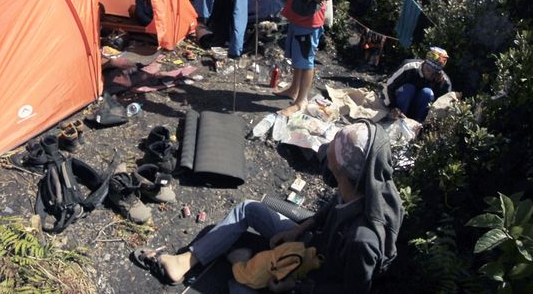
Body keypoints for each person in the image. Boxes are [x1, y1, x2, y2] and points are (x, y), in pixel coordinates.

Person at [133, 122, 403, 293]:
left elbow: (351, 290)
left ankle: (242, 264)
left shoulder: (362, 239)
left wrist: (295, 286)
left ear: (342, 168)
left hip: (314, 273)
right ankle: (184, 262)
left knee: (239, 288)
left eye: (333, 150)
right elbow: (329, 210)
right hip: (309, 244)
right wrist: (300, 229)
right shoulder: (357, 186)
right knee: (248, 208)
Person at [382, 46, 452, 122]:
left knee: (427, 93)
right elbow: (388, 86)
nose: (429, 72)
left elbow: (445, 105)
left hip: (421, 112)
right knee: (408, 88)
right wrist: (392, 106)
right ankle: (397, 119)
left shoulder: (444, 82)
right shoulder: (409, 67)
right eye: (428, 68)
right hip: (400, 106)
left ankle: (418, 122)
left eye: (433, 71)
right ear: (425, 62)